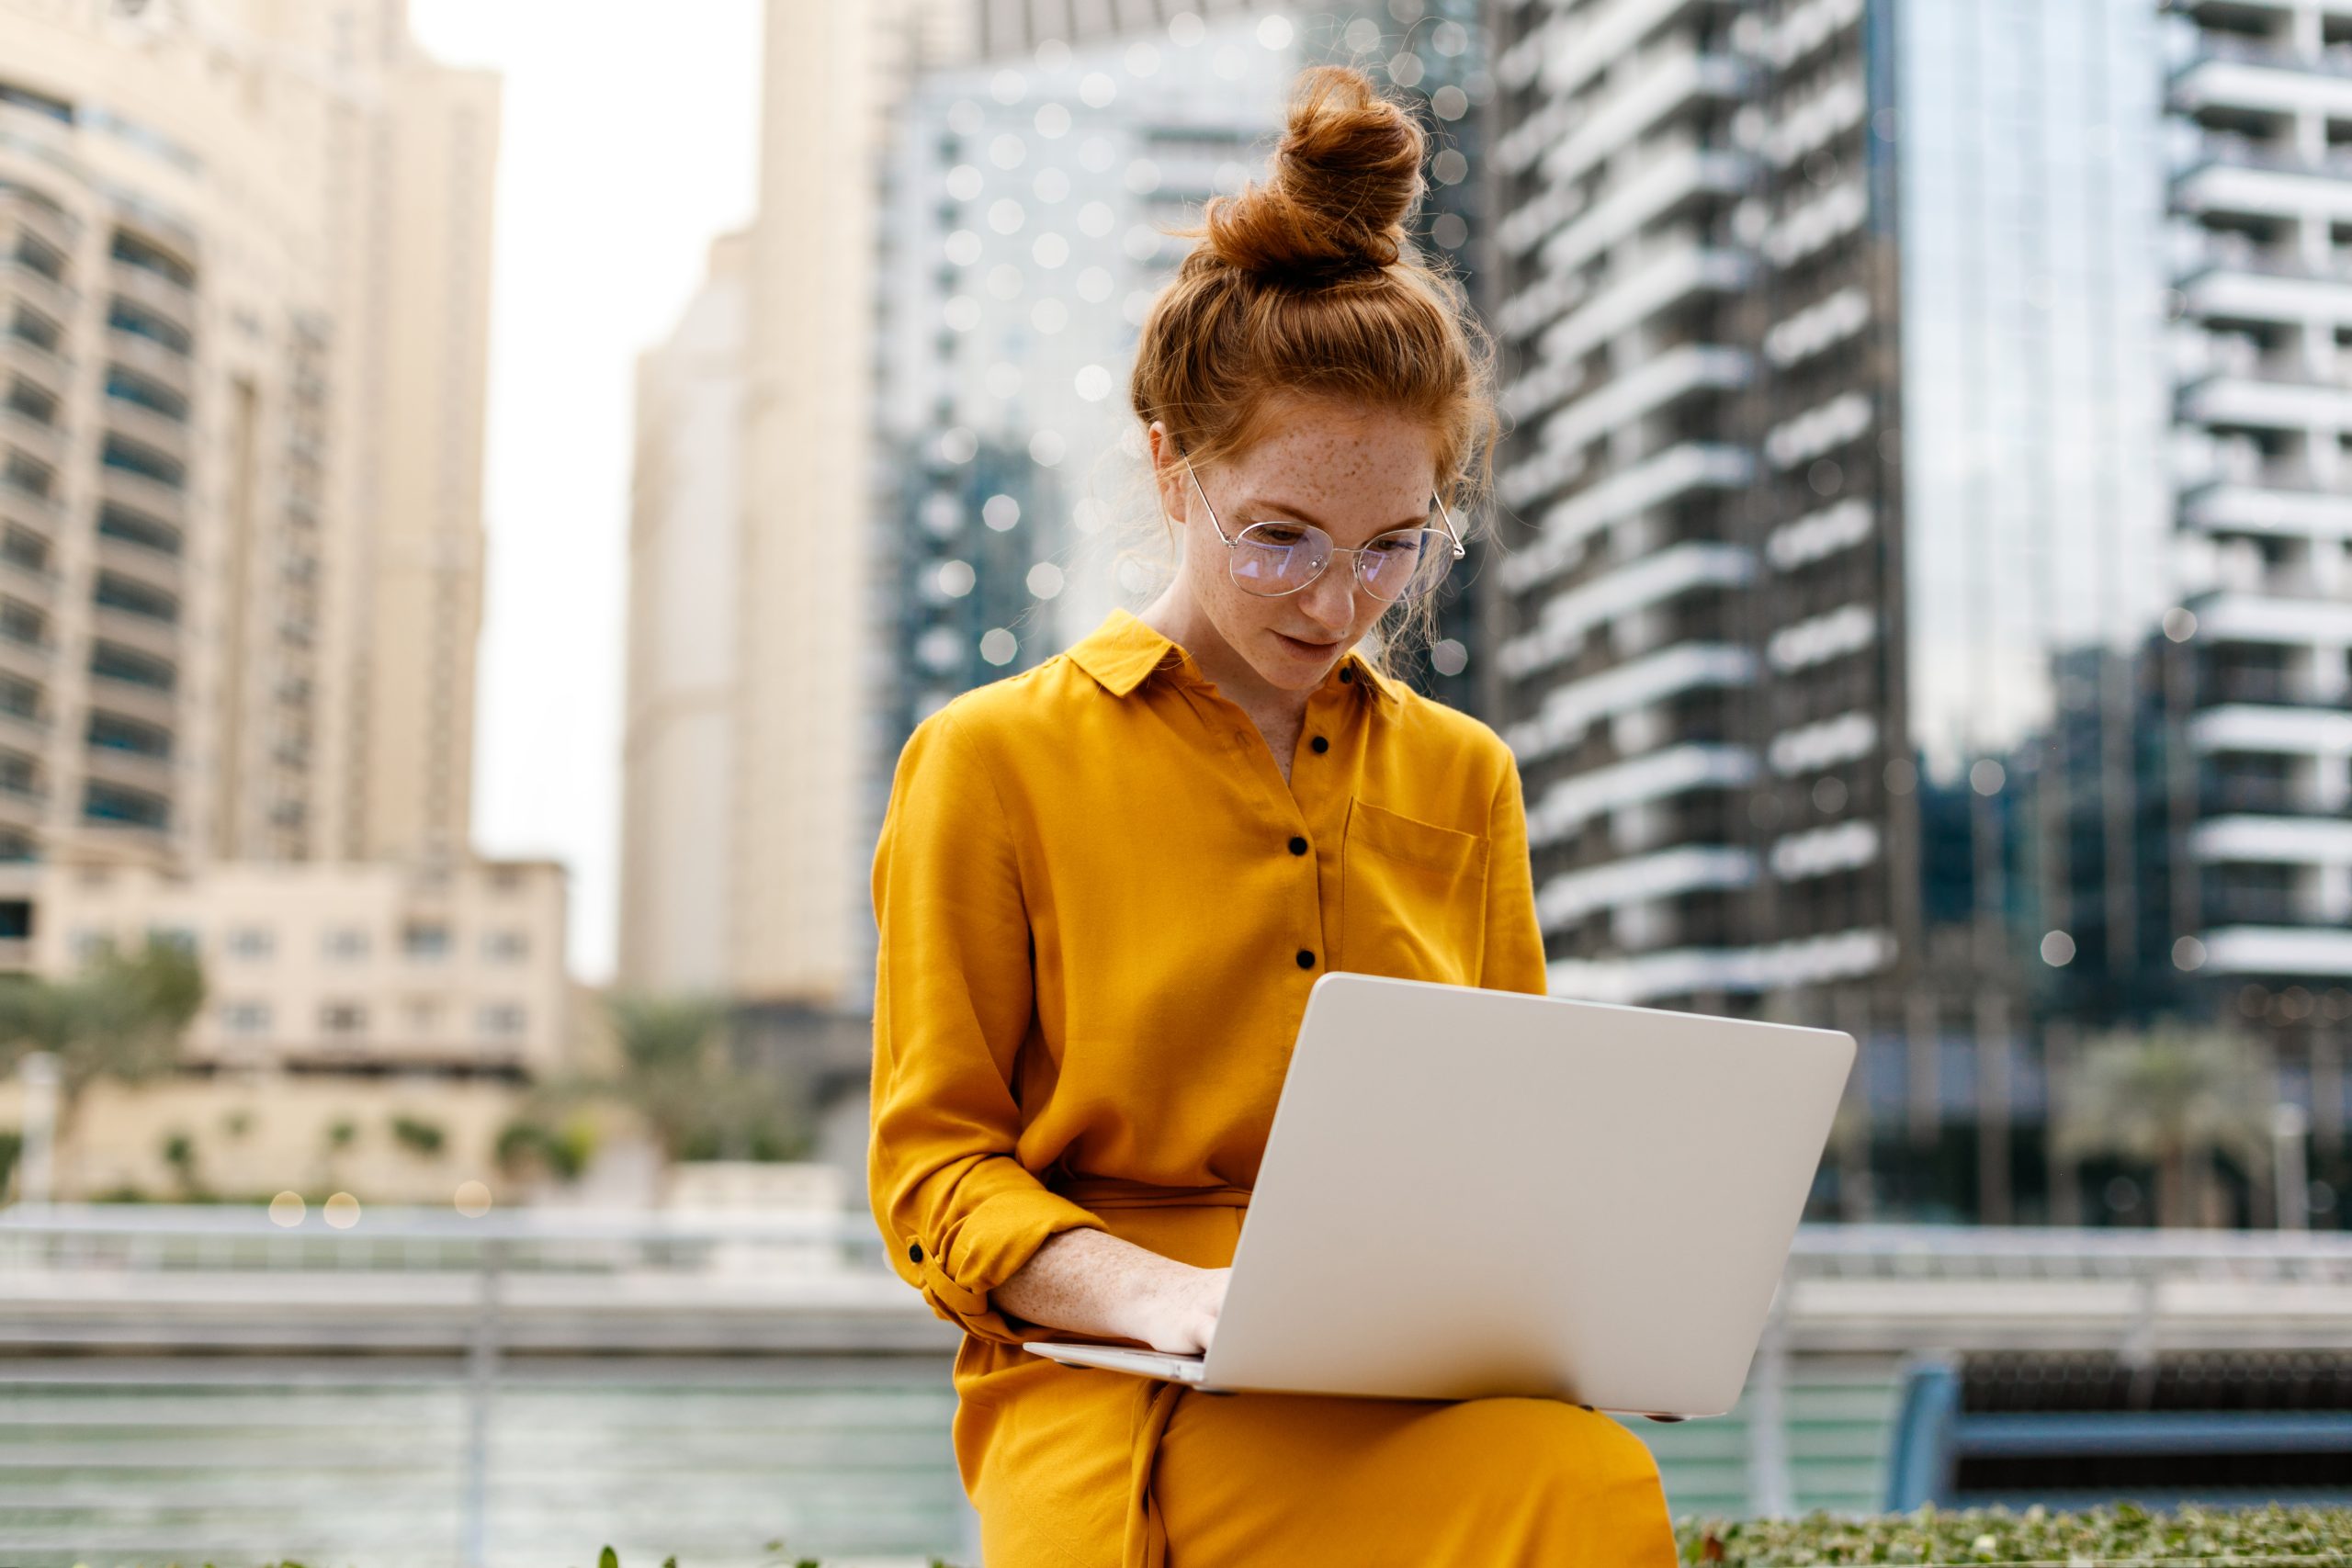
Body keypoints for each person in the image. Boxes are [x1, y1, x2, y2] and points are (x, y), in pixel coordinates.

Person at [867, 63, 1679, 1568]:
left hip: (1405, 1376)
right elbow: (932, 1177)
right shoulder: (989, 759)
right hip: (1115, 1394)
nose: (1337, 599)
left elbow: (1517, 1142)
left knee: (1590, 1480)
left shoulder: (1463, 776)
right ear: (1174, 469)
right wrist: (1174, 1299)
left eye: (1392, 548)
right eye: (1282, 539)